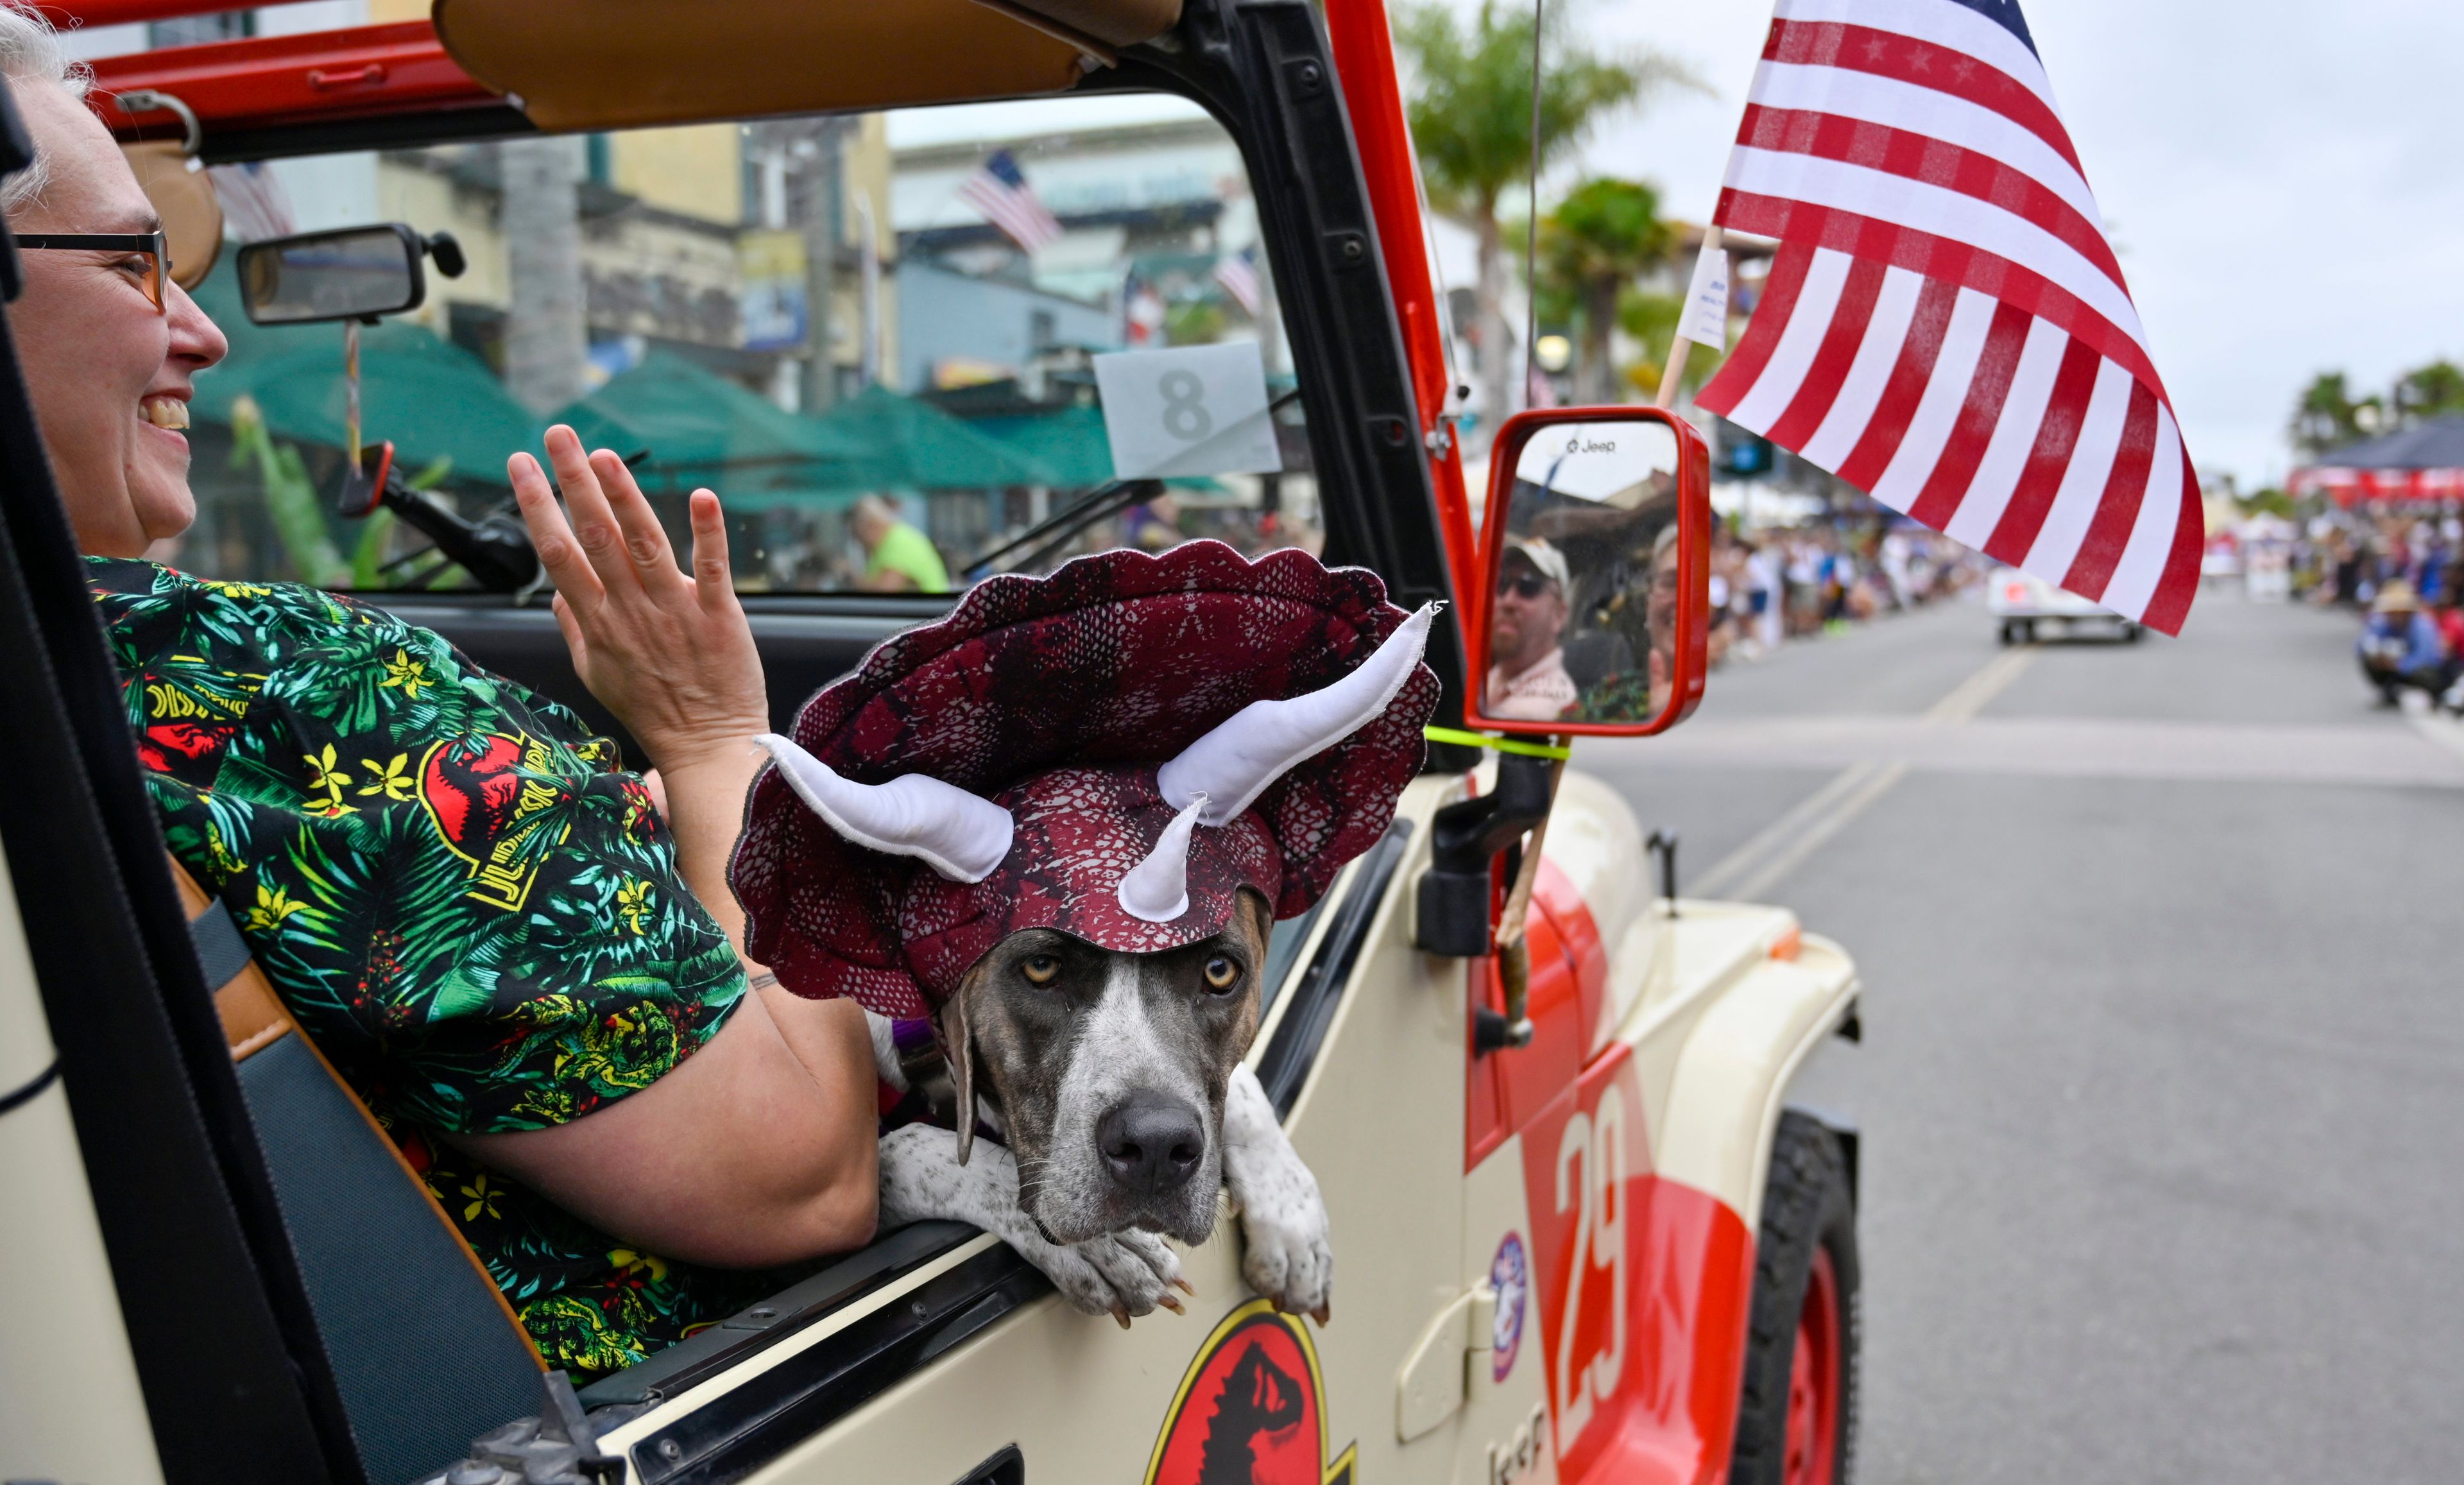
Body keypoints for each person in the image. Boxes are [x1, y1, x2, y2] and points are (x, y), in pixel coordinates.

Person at [0, 11, 878, 1382]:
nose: (200, 332)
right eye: (132, 261)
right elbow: (804, 1179)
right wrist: (718, 748)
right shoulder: (306, 704)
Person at [1484, 536, 1577, 720]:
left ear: (1559, 614)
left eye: (1528, 587)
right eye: (1501, 585)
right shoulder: (1492, 678)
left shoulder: (1544, 706)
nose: (1508, 601)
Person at [2355, 579, 2451, 706]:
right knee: (2369, 660)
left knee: (2425, 673)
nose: (2396, 615)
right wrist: (2377, 656)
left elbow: (2427, 657)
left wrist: (2398, 665)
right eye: (2393, 611)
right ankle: (2389, 690)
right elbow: (2361, 646)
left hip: (2427, 670)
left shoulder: (2422, 627)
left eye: (2400, 611)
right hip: (2395, 666)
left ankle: (2437, 696)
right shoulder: (2382, 623)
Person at [850, 492, 950, 592]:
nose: (857, 541)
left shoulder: (900, 543)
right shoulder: (888, 543)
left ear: (870, 525)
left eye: (857, 534)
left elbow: (884, 591)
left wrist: (852, 578)